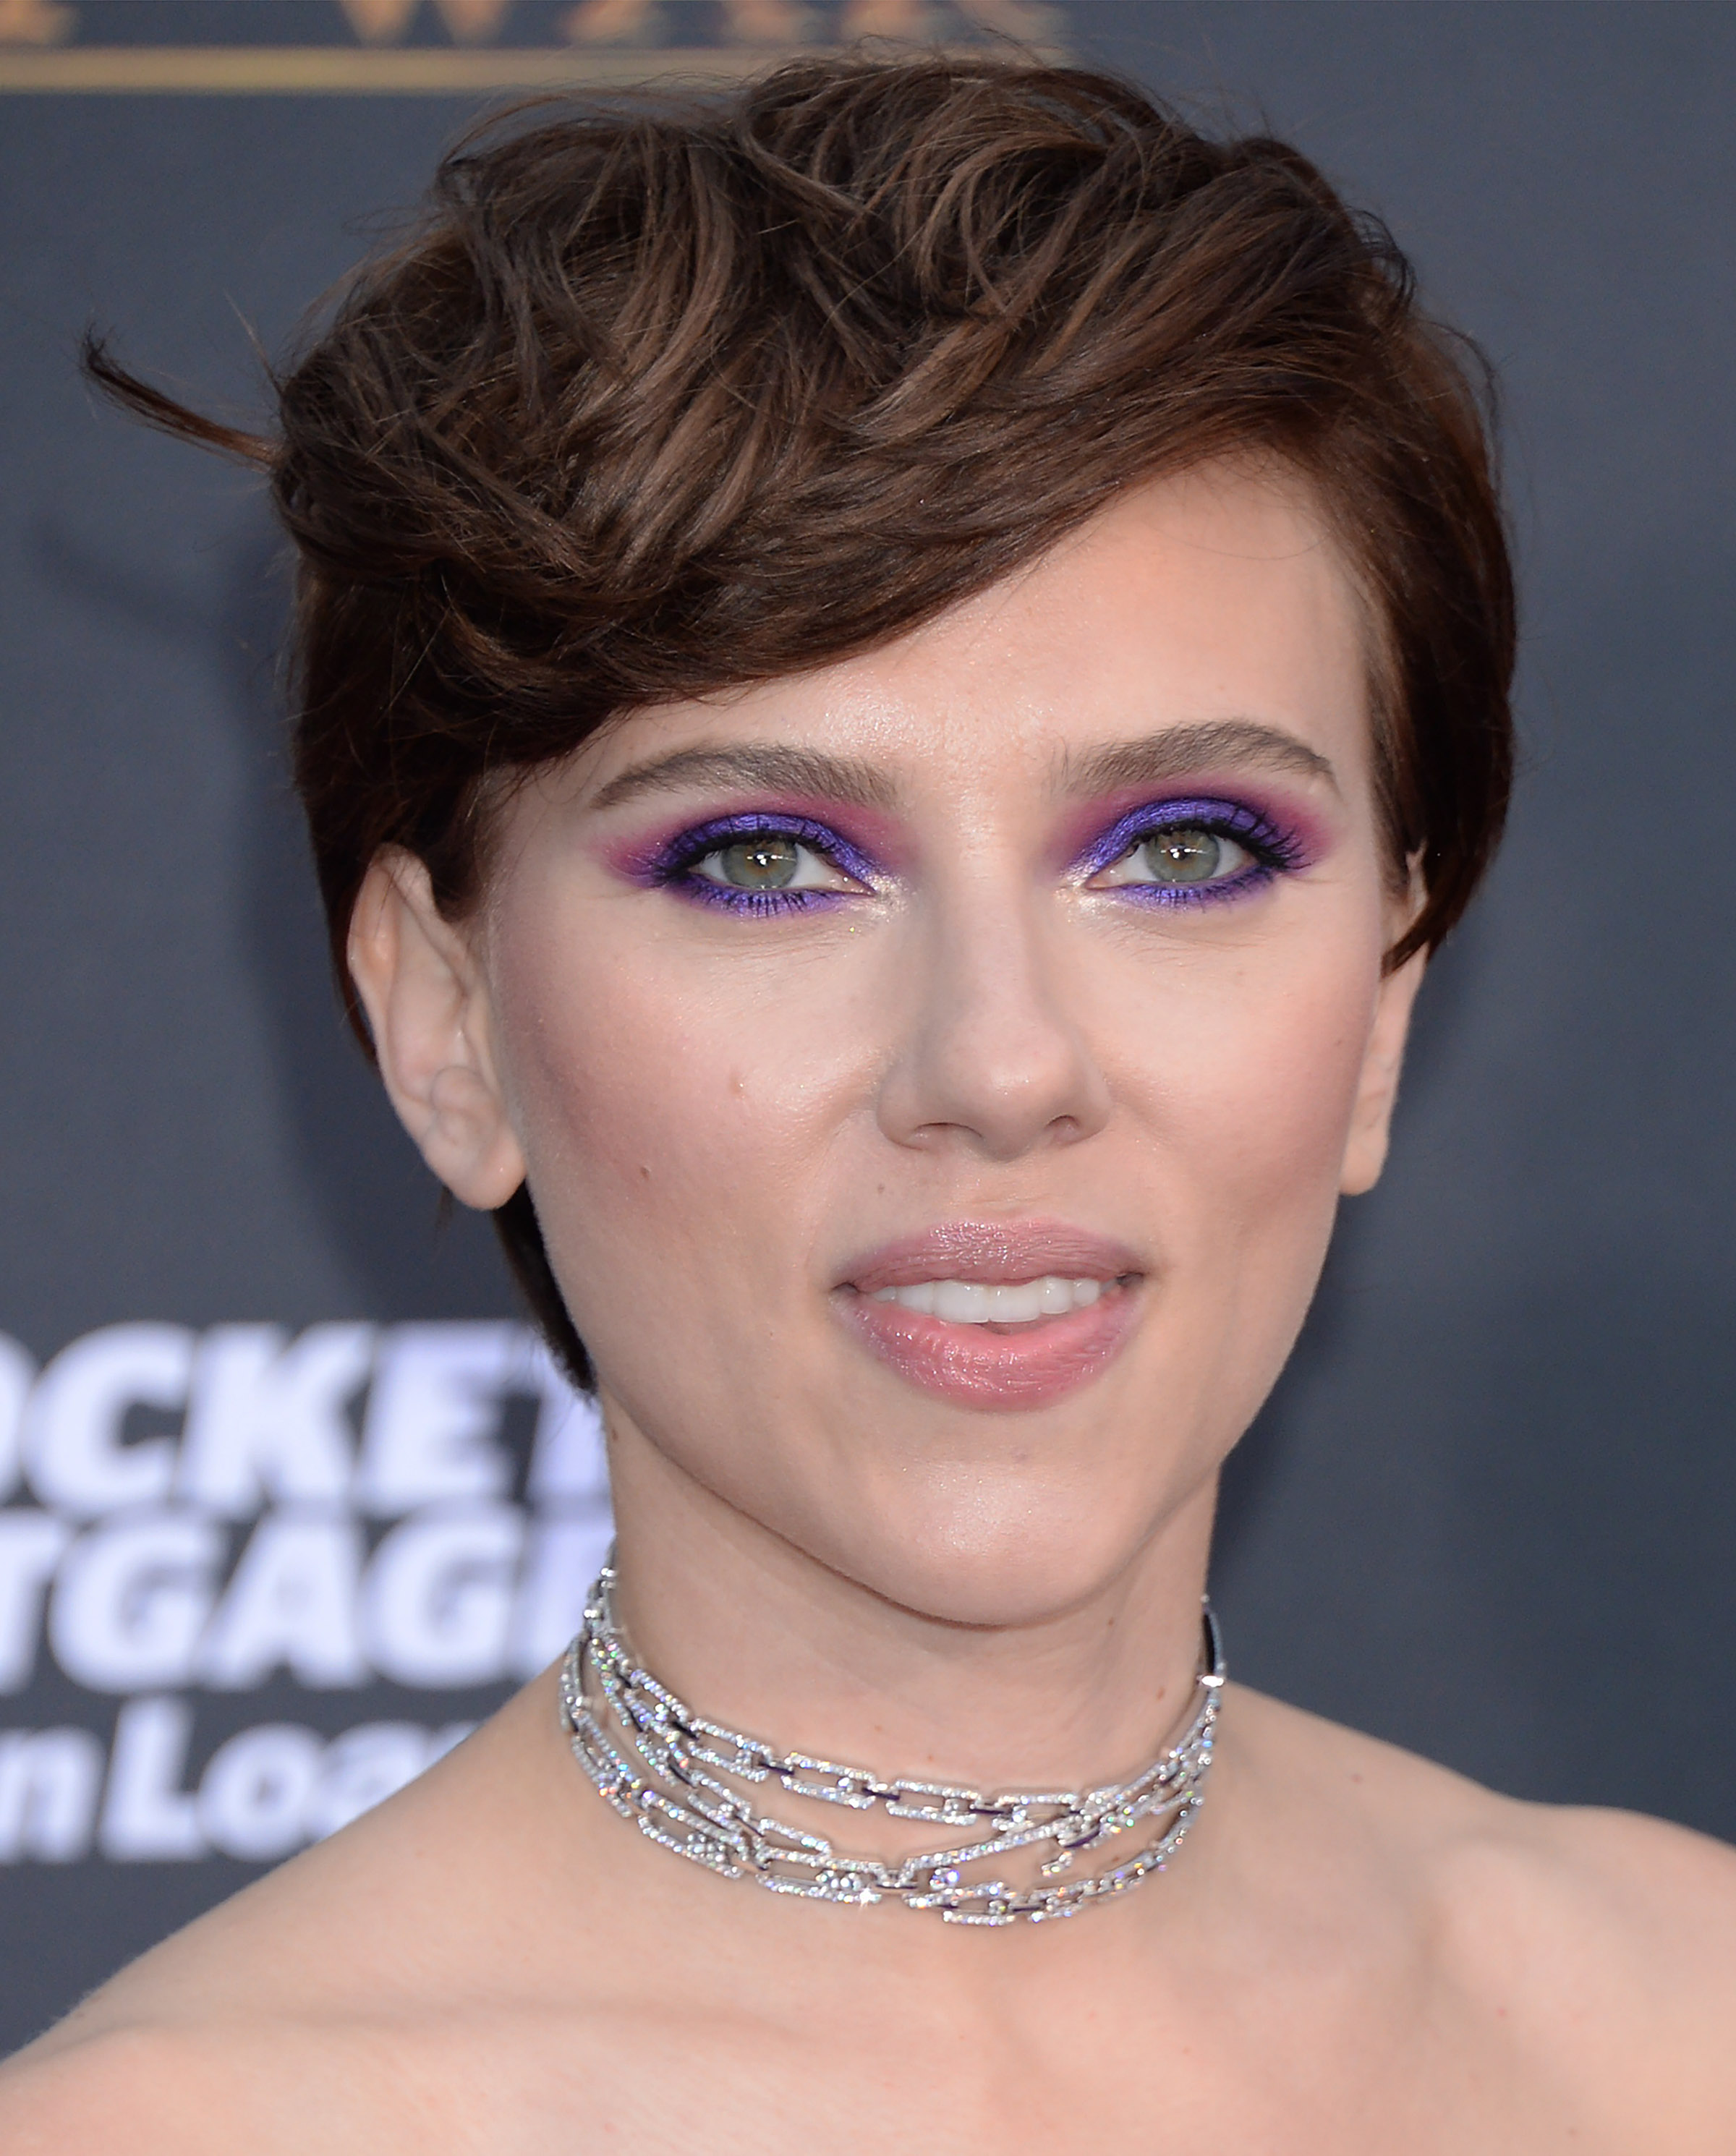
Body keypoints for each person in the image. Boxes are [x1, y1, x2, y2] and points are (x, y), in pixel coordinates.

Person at [5, 51, 1734, 2152]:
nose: (1000, 1066)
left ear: (1384, 1001)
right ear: (445, 1023)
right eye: (763, 862)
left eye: (1185, 850)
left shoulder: (1681, 2038)